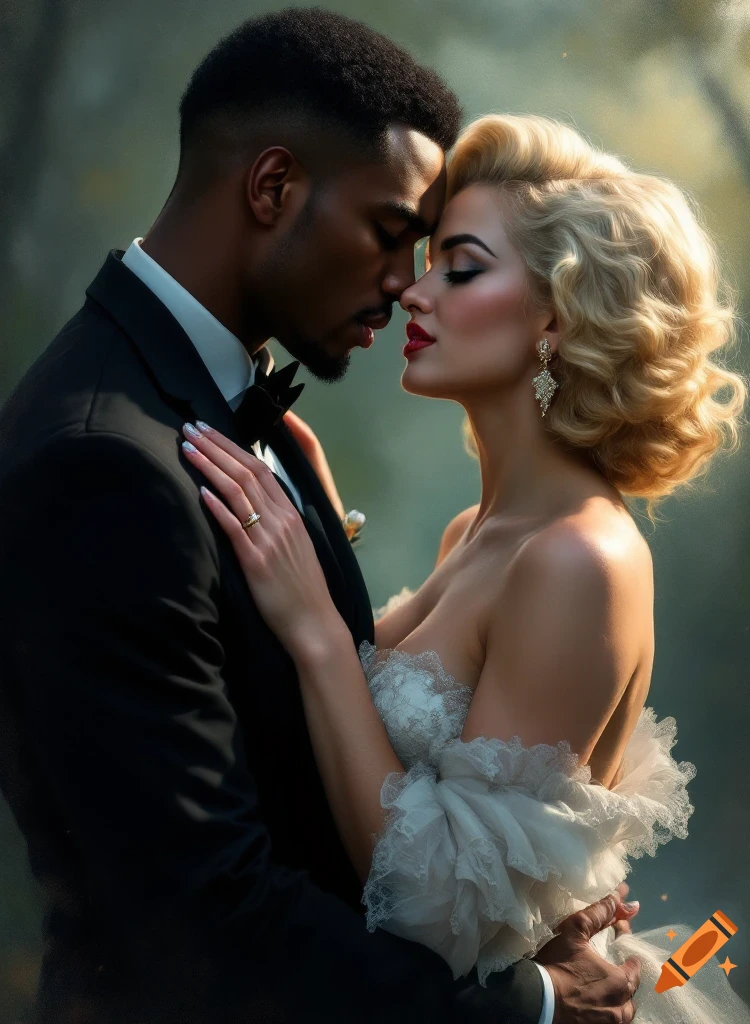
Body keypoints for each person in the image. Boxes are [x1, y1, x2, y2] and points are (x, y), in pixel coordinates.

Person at [0, 10, 641, 1024]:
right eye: (392, 236)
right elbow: (202, 917)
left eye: (444, 258)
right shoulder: (104, 459)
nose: (405, 285)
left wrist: (535, 903)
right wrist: (529, 1003)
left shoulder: (260, 434)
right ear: (272, 188)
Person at [178, 112, 750, 1024]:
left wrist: (321, 636)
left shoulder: (580, 558)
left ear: (558, 320)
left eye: (462, 268)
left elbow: (439, 902)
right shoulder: (473, 532)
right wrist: (322, 536)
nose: (413, 293)